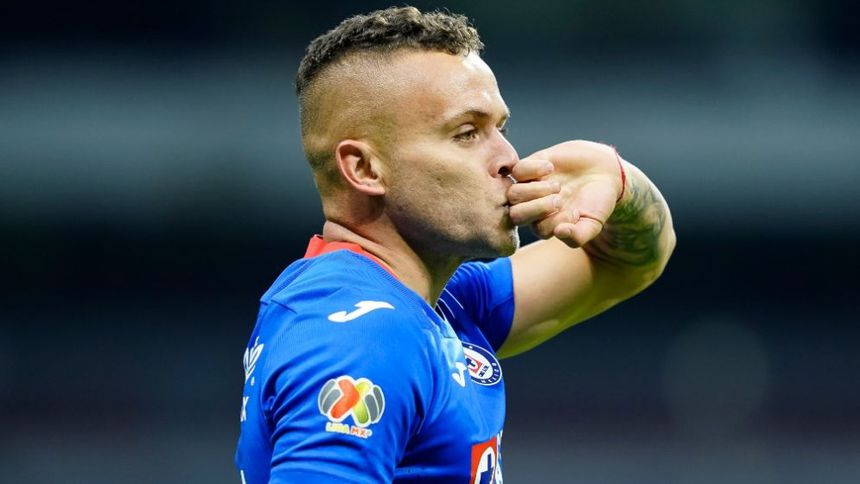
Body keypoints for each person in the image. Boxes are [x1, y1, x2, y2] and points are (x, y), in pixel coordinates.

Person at [235, 6, 675, 483]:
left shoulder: (443, 302)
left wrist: (618, 181)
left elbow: (628, 263)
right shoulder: (363, 336)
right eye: (466, 133)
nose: (509, 158)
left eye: (500, 129)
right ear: (364, 169)